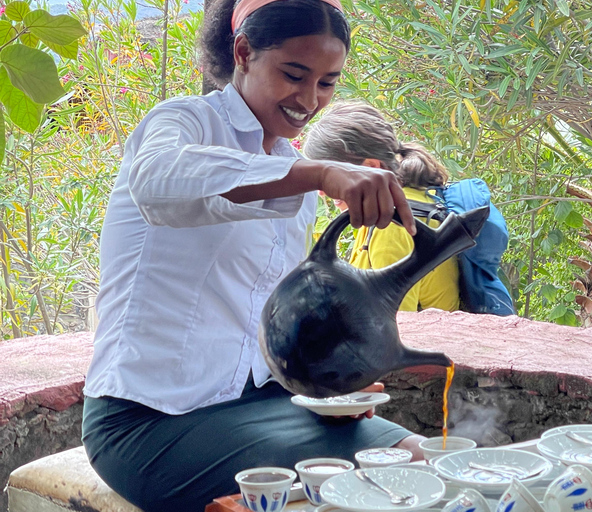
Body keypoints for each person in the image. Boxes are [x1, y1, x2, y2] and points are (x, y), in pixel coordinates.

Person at [80, 1, 424, 511]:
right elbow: (157, 182)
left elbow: (269, 319)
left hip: (266, 403)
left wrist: (326, 388)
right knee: (374, 482)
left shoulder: (293, 171)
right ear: (243, 52)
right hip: (147, 421)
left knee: (418, 457)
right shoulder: (182, 122)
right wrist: (320, 173)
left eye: (327, 82)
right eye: (294, 74)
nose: (309, 99)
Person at [304, 101, 461, 312]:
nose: (321, 191)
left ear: (371, 167)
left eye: (329, 177)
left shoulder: (391, 224)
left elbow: (397, 326)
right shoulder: (408, 198)